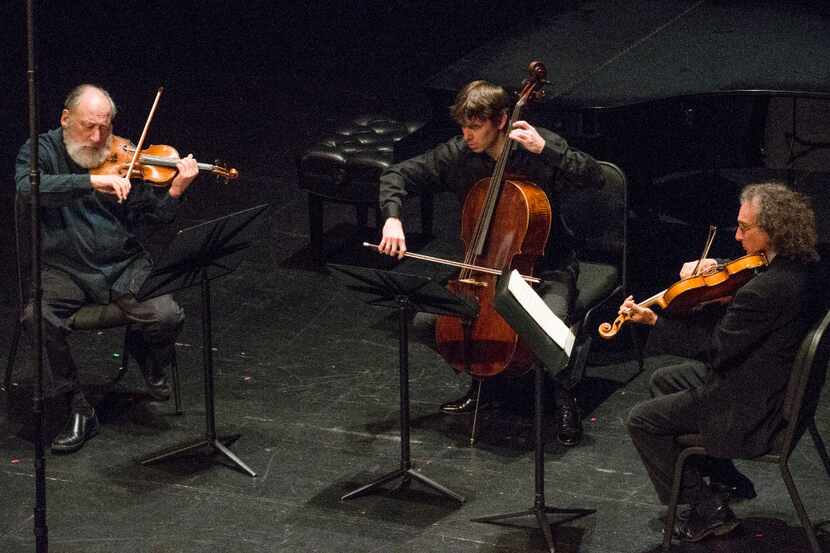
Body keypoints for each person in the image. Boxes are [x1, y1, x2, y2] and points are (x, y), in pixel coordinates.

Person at [377, 80, 607, 446]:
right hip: (483, 269)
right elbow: (396, 174)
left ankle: (565, 398)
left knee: (549, 329)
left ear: (500, 120)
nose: (467, 135)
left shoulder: (534, 144)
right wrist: (392, 216)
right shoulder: (458, 153)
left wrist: (547, 150)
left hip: (545, 268)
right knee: (425, 323)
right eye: (463, 127)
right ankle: (484, 378)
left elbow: (596, 176)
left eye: (475, 127)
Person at [622, 182, 819, 542]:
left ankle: (708, 509)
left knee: (642, 421)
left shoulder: (765, 291)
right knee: (665, 380)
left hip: (753, 409)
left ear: (773, 231)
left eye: (745, 228)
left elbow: (716, 348)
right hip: (774, 382)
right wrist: (718, 269)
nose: (738, 235)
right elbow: (745, 309)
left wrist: (654, 321)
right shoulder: (801, 268)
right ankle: (724, 476)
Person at [14, 84, 199, 454]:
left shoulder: (125, 155)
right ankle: (76, 407)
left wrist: (176, 191)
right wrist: (91, 180)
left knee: (166, 315)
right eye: (88, 127)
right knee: (37, 318)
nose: (98, 137)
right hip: (64, 269)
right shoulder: (42, 150)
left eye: (106, 127)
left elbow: (153, 215)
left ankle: (143, 347)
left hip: (121, 266)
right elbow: (26, 188)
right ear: (66, 119)